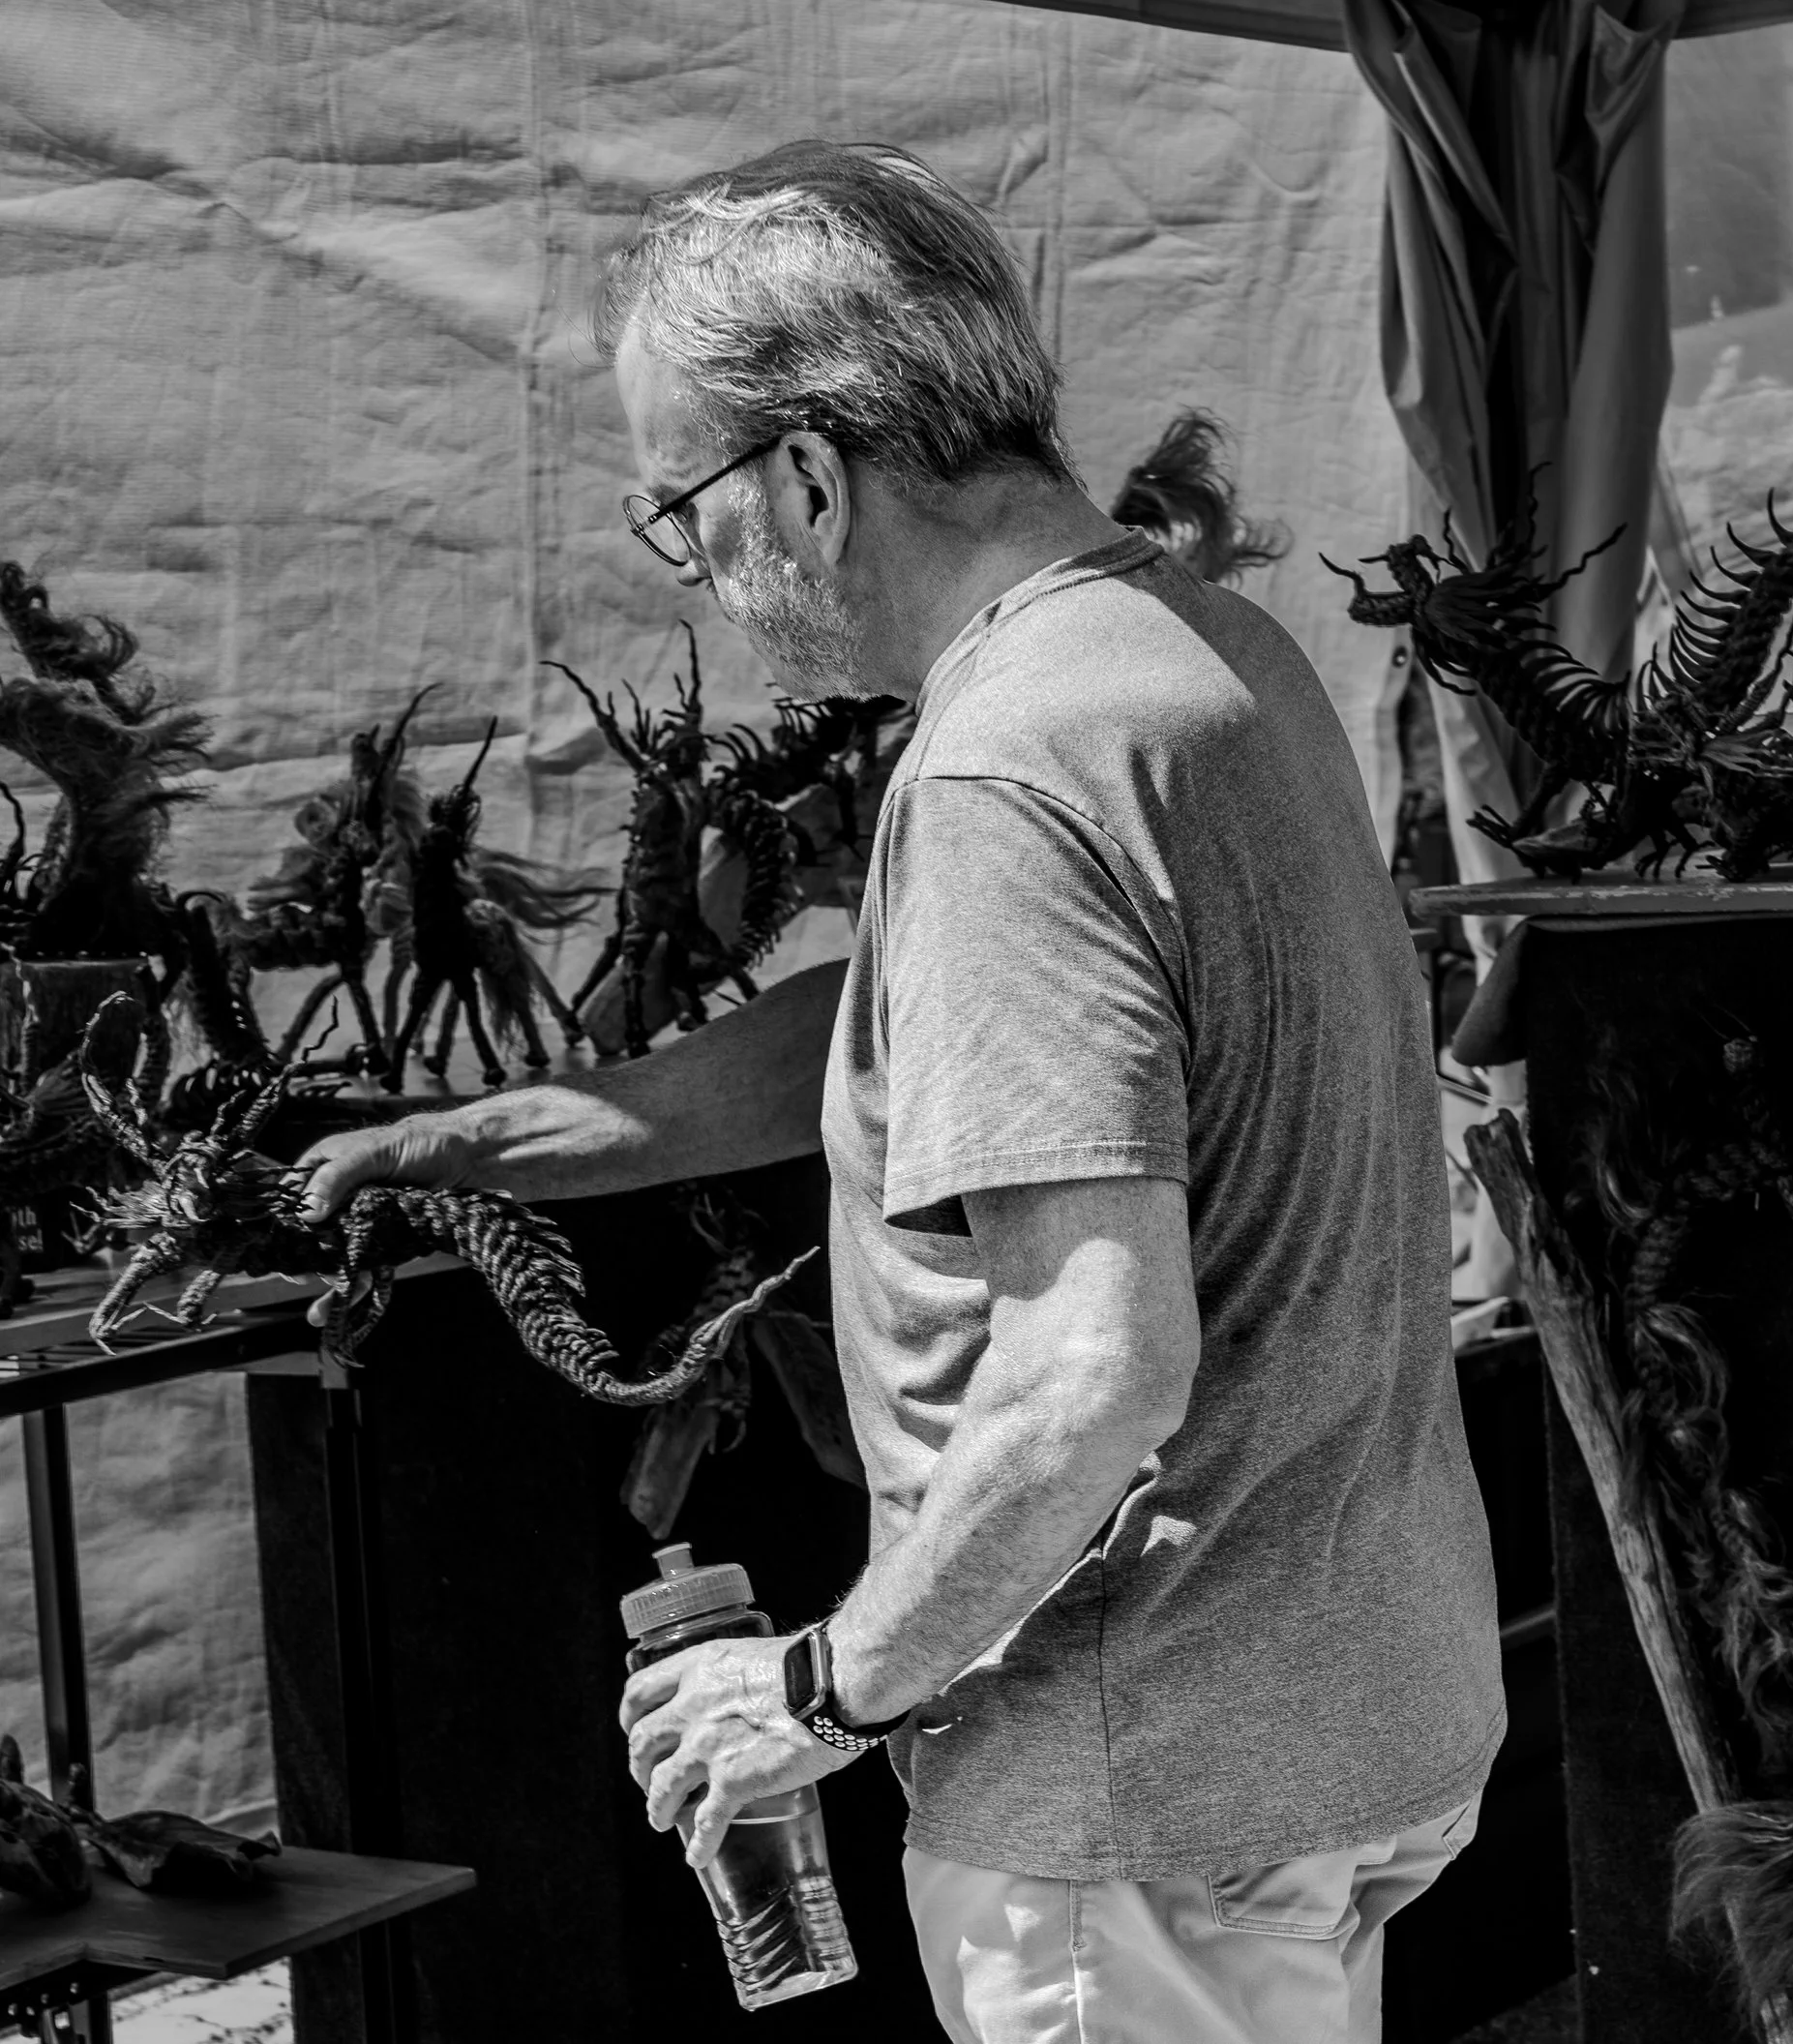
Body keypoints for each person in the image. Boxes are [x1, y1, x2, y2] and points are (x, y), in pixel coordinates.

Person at [297, 138, 1504, 2044]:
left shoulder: (1007, 760)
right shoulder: (1196, 650)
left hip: (1136, 1786)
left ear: (803, 475)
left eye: (675, 517)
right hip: (1351, 1714)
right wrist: (504, 1136)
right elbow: (934, 1022)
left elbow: (1091, 1367)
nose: (693, 575)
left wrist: (817, 1693)